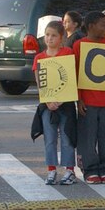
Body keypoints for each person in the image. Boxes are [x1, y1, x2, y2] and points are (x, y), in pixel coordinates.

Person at [73, 11, 105, 184]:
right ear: (91, 26)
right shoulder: (78, 46)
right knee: (87, 137)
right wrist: (79, 99)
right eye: (103, 24)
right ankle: (90, 170)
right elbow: (75, 74)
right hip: (88, 102)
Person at [34, 20, 78, 185]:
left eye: (53, 35)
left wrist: (59, 100)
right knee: (50, 138)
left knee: (67, 137)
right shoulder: (39, 57)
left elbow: (69, 78)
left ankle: (69, 170)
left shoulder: (67, 53)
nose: (49, 38)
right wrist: (48, 100)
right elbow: (40, 81)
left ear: (62, 37)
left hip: (65, 103)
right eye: (47, 35)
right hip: (47, 104)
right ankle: (51, 170)